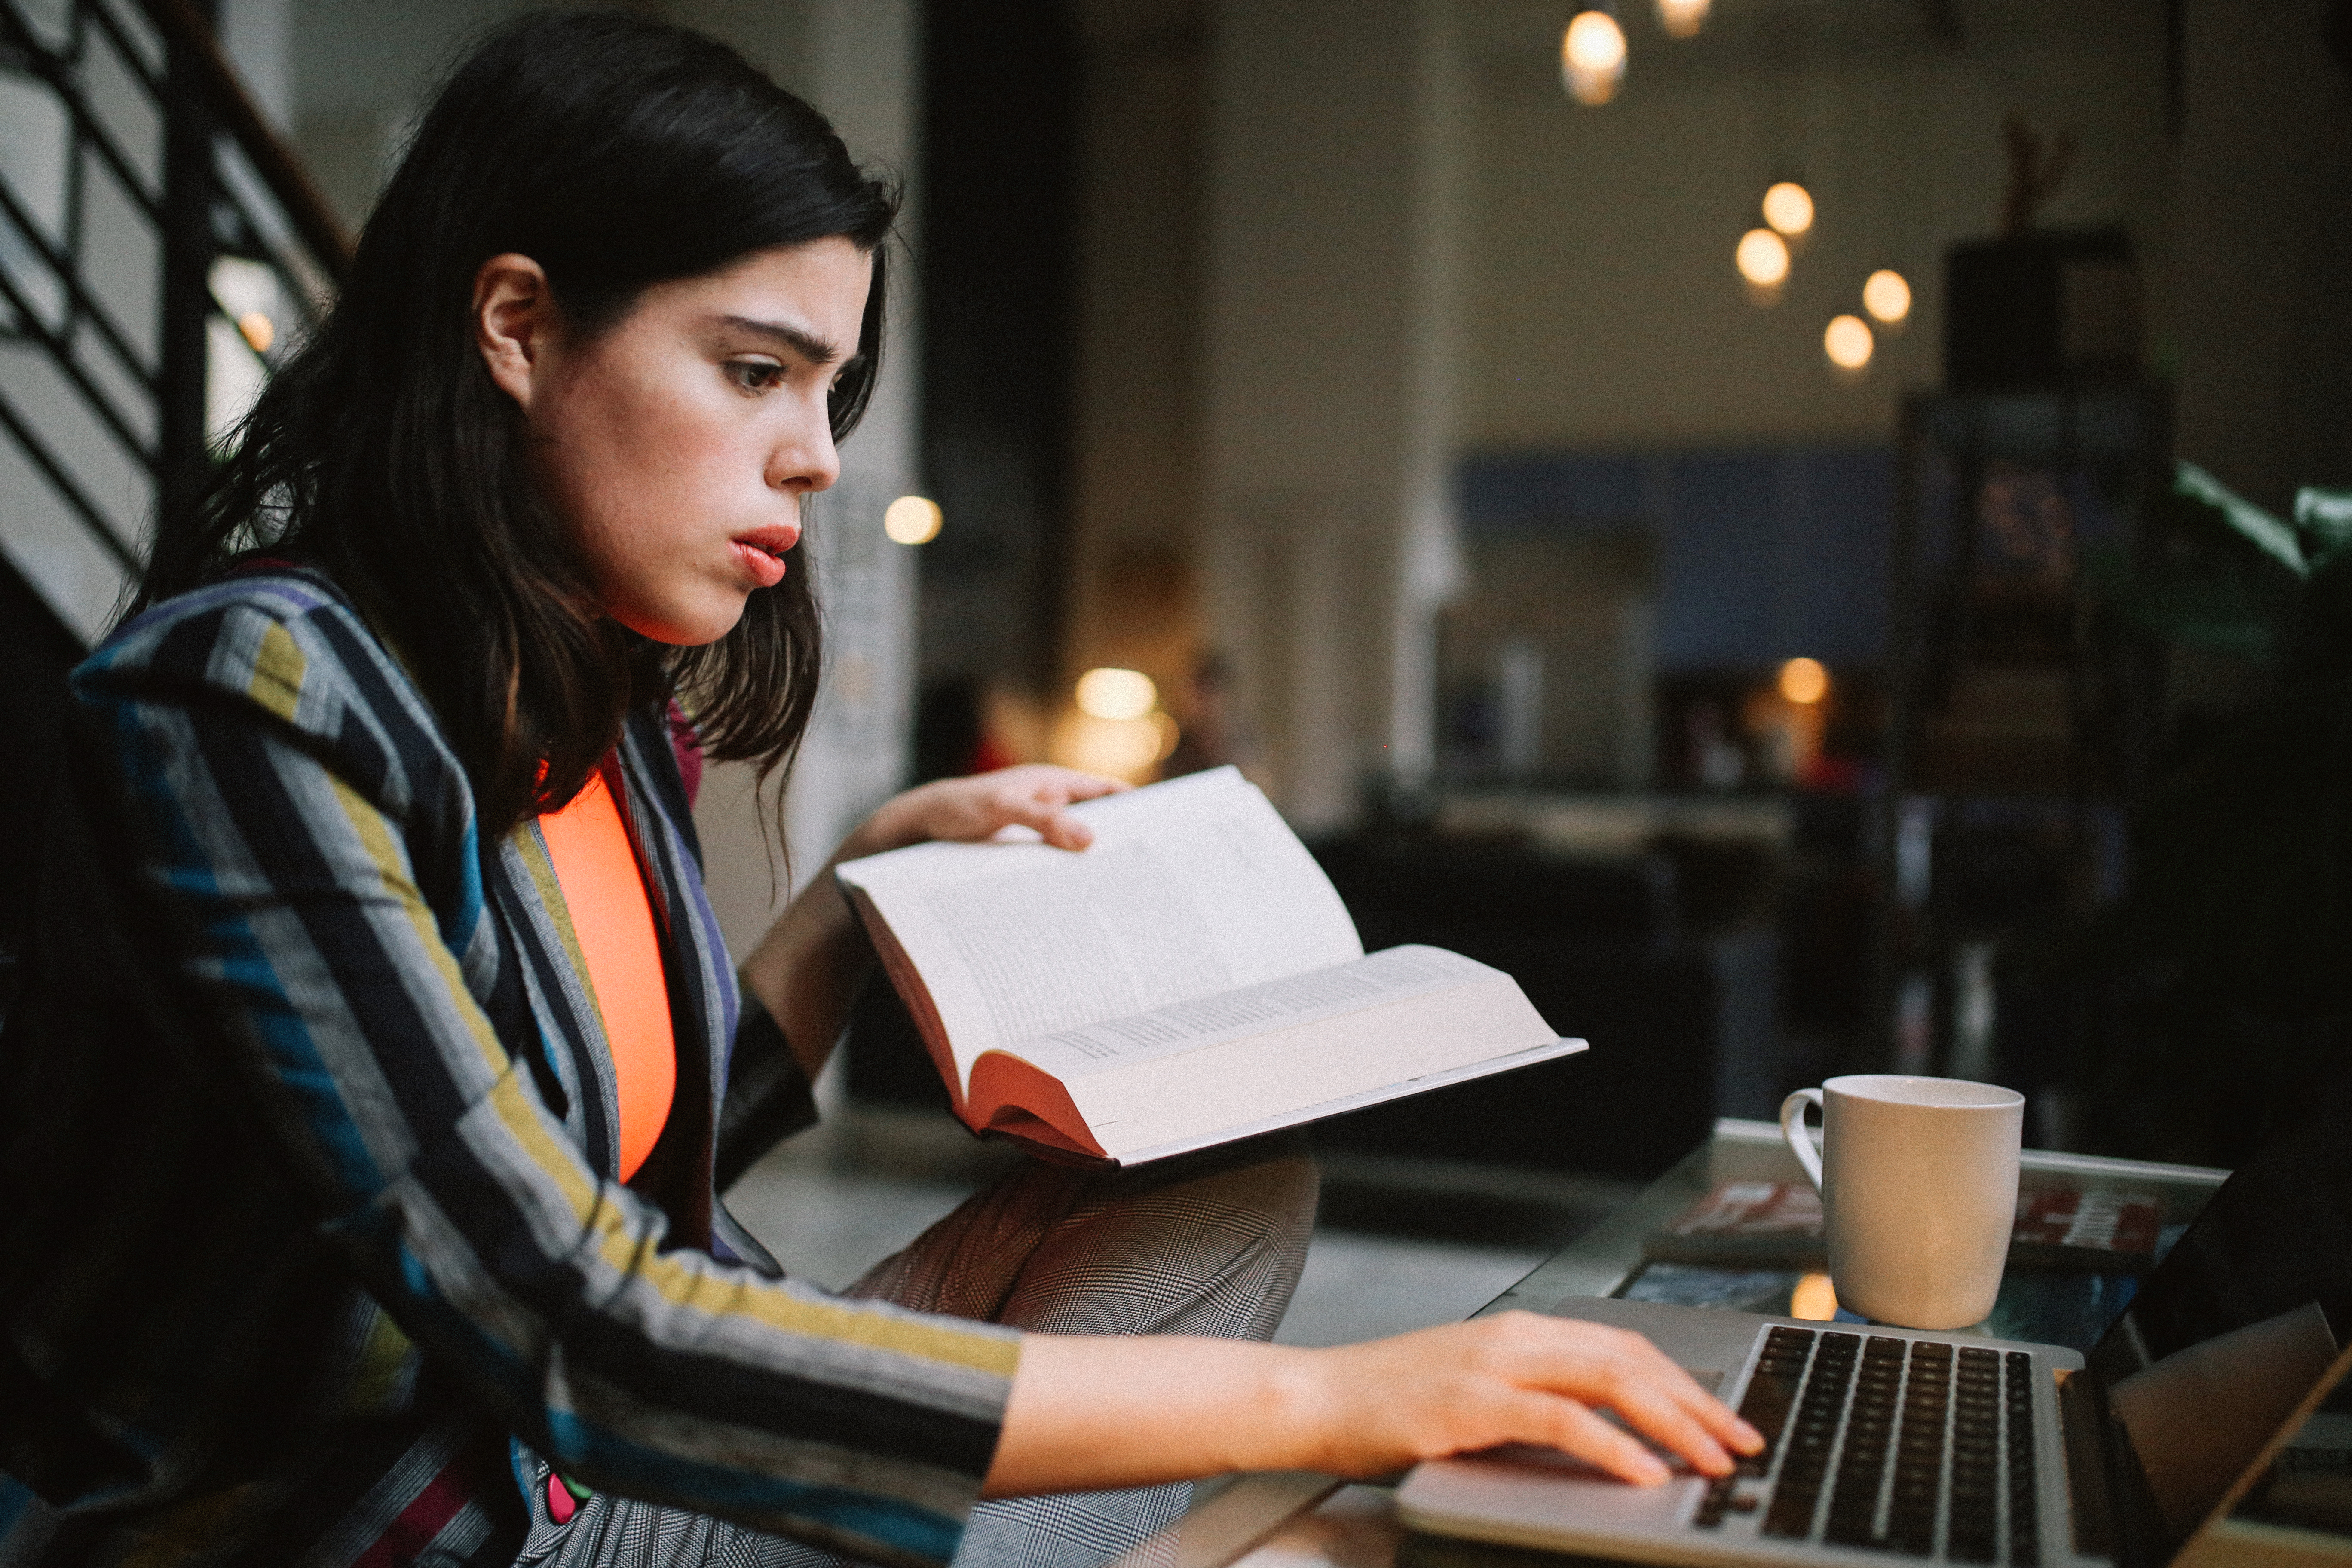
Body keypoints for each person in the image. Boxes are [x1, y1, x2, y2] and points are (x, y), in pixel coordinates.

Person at [0, 14, 1758, 1568]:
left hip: (589, 1477)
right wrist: (1337, 1402)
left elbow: (623, 1163)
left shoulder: (591, 704)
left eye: (832, 388)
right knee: (1300, 1505)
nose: (820, 456)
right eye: (757, 371)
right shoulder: (252, 703)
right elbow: (581, 1329)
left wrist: (853, 892)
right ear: (520, 325)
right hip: (420, 1526)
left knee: (1228, 1186)